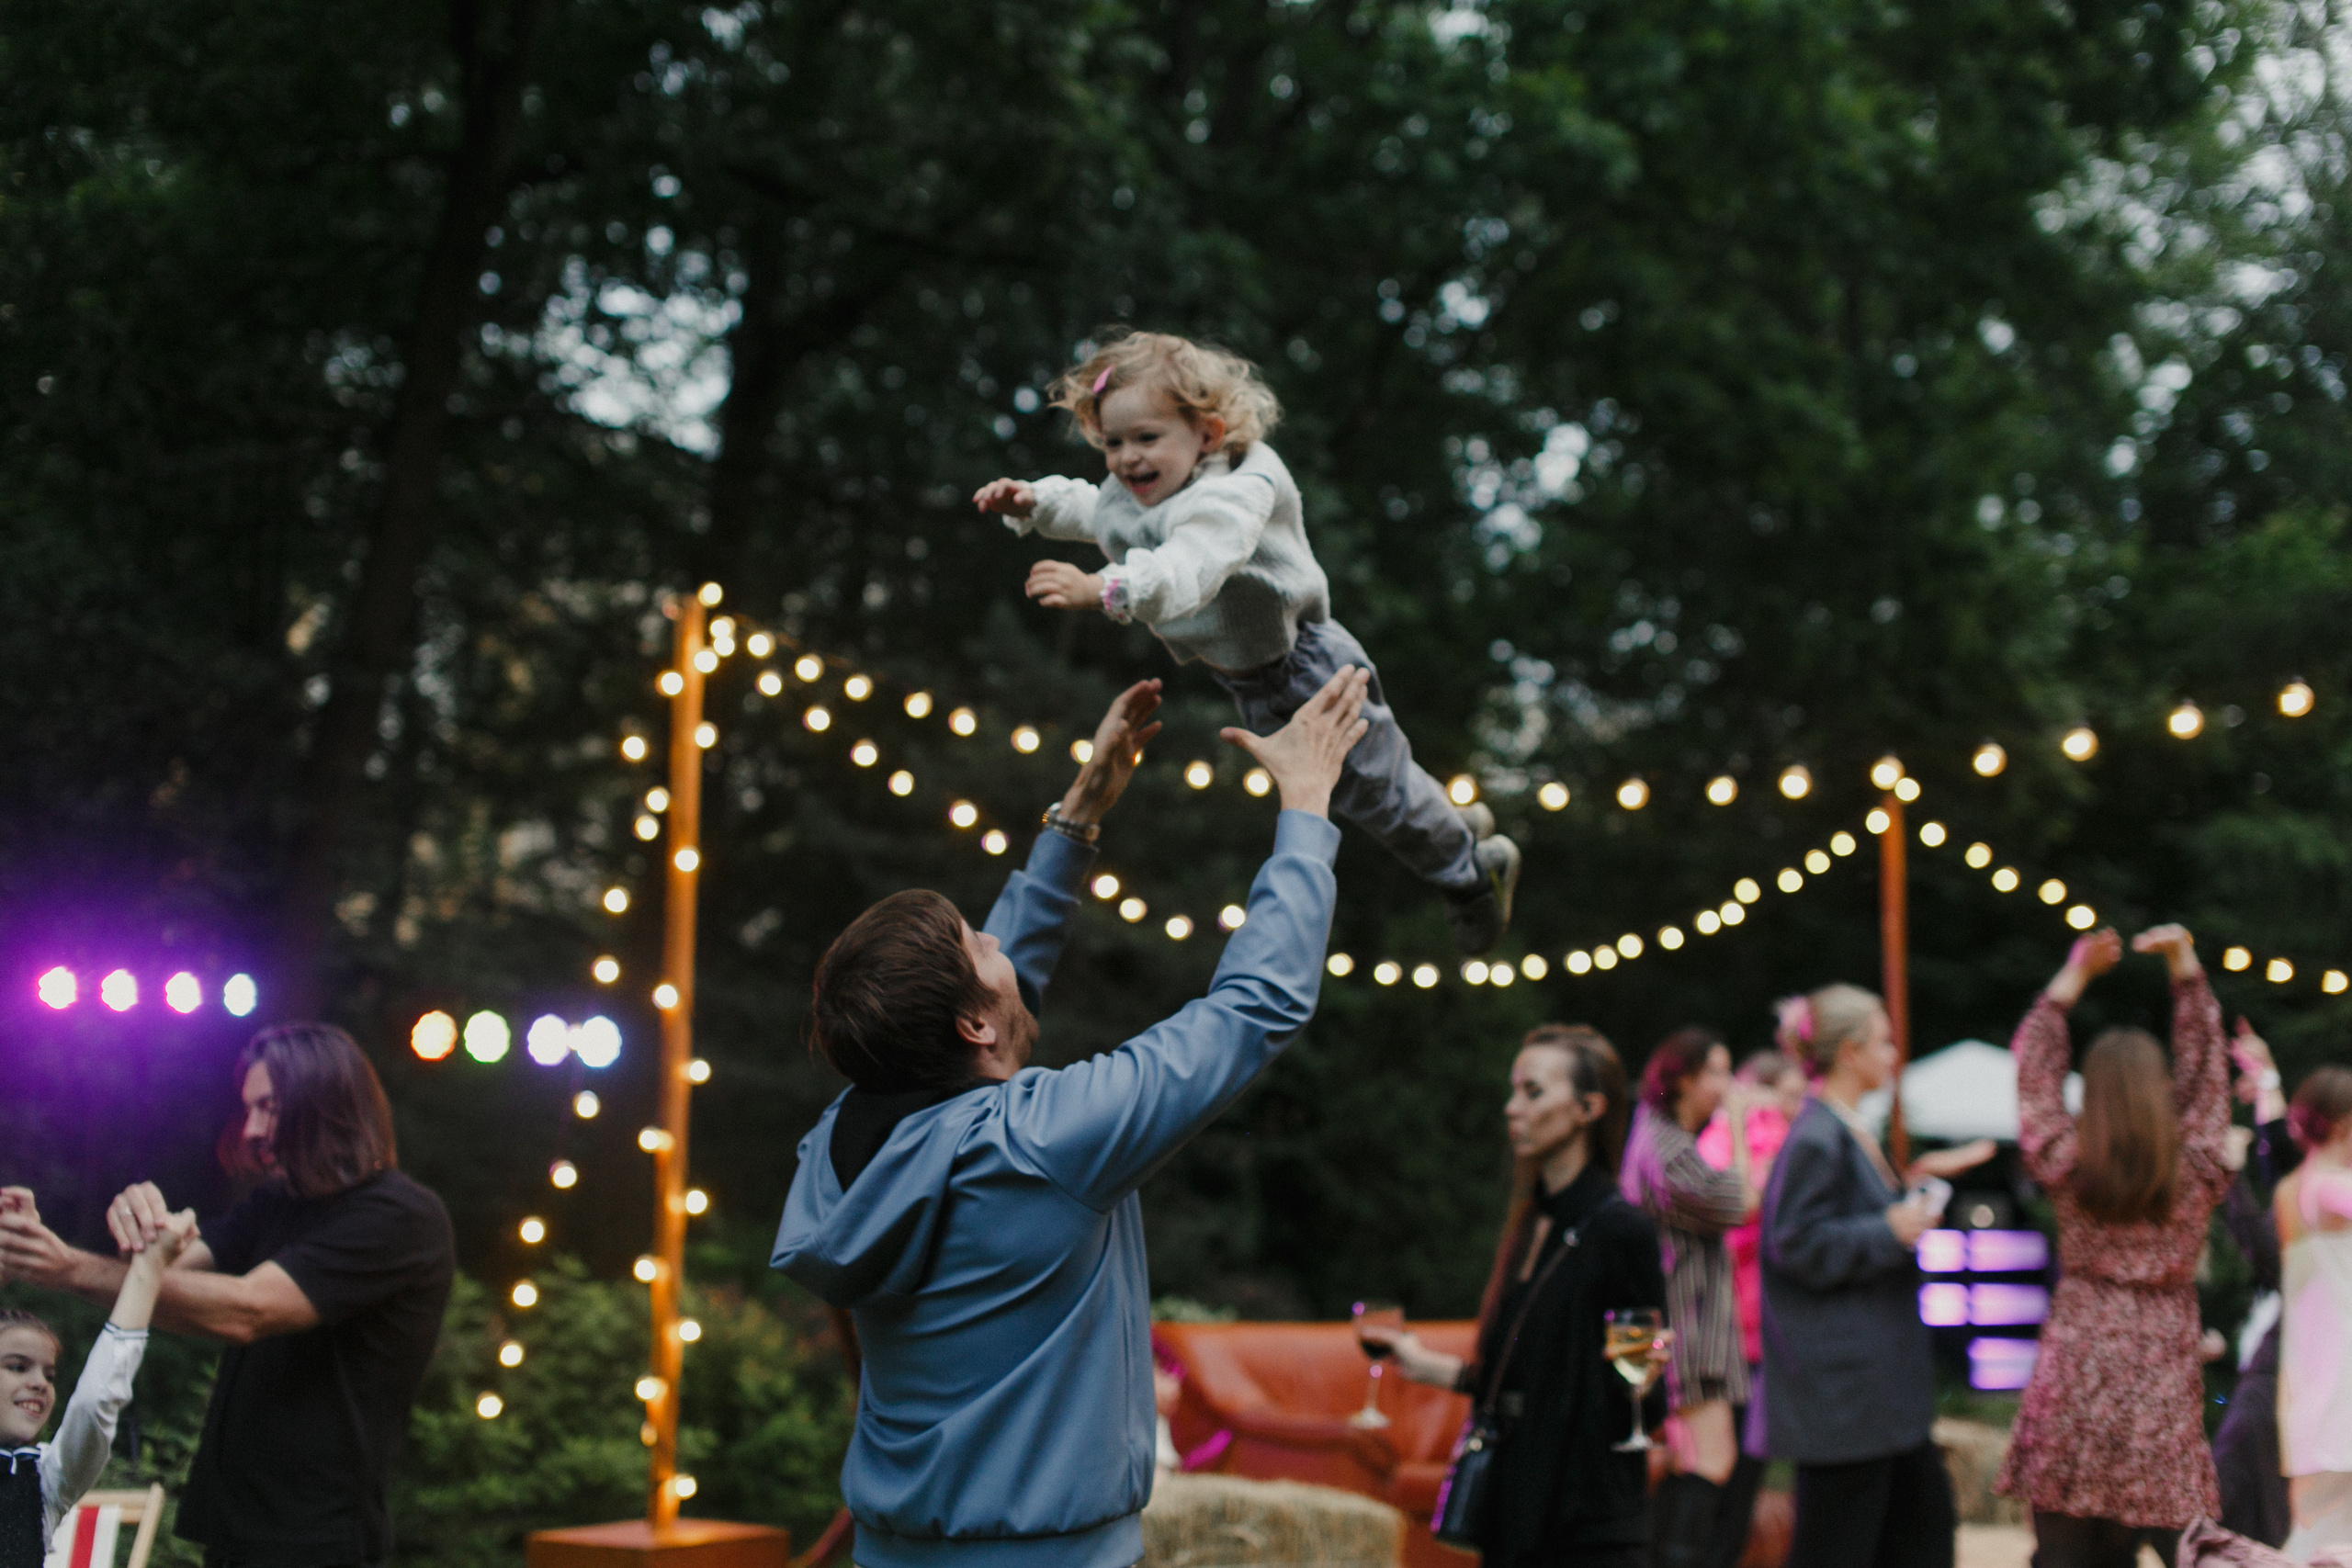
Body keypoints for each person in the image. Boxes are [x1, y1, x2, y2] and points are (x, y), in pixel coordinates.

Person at [771, 667, 1367, 1568]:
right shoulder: (1040, 1139)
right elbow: (1254, 1007)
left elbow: (988, 1023)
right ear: (971, 1022)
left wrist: (1076, 819)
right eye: (982, 945)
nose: (1001, 945)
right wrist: (1307, 807)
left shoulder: (841, 1143)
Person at [971, 329, 1520, 953]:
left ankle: (1473, 873)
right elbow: (1097, 510)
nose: (1127, 459)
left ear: (1206, 434)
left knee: (1372, 792)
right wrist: (1033, 501)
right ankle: (1454, 825)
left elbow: (1186, 568)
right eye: (1113, 442)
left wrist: (1099, 588)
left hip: (1306, 669)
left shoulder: (1232, 498)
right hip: (1256, 678)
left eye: (1146, 438)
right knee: (1369, 786)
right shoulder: (1145, 487)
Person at [0, 1023, 455, 1568]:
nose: (255, 1129)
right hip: (238, 1533)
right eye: (250, 1110)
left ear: (326, 1104)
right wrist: (93, 1233)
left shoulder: (398, 1216)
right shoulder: (275, 1205)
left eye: (270, 1107)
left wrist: (66, 1268)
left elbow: (248, 1309)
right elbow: (148, 1275)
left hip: (320, 1541)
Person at [1367, 1024, 1668, 1568]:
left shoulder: (1621, 1232)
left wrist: (1638, 1380)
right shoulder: (1534, 1224)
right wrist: (1434, 1368)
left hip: (1583, 1518)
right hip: (1515, 1505)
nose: (1512, 1108)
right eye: (1514, 1091)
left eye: (1533, 1092)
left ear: (1588, 1108)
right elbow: (1527, 1380)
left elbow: (1644, 1396)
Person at [1993, 925, 2232, 1568]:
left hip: (2080, 1357)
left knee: (2065, 1552)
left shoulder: (2068, 1162)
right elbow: (2210, 1080)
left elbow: (2035, 1073)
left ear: (2090, 1094)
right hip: (2159, 1367)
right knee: (2184, 1548)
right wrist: (2186, 972)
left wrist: (2071, 977)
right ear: (2161, 1093)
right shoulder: (2197, 1167)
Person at [1760, 983, 1990, 1568]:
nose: (1895, 1055)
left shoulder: (1844, 1127)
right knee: (1843, 1548)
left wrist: (1915, 1190)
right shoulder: (1816, 1135)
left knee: (1918, 1533)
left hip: (1876, 1396)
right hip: (1847, 1399)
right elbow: (1794, 1243)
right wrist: (1890, 1230)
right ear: (1849, 1054)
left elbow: (1853, 1221)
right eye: (1885, 1042)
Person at [1619, 1027, 1759, 1568]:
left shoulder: (1655, 1139)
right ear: (1685, 1080)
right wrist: (1741, 1124)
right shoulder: (1669, 1148)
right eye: (1718, 1073)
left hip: (1683, 1328)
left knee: (1691, 1463)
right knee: (1709, 1462)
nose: (1726, 1087)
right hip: (1690, 1331)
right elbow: (1741, 1202)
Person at [0, 1198, 195, 1568]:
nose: (40, 1383)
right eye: (18, 1366)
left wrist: (149, 1268)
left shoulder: (45, 1480)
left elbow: (95, 1401)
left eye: (49, 1374)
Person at [1690, 1049, 1805, 1568]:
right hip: (1733, 1332)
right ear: (1758, 1093)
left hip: (1765, 1330)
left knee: (1748, 1468)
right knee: (1730, 1468)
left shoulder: (1788, 1142)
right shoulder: (1728, 1143)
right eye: (1790, 1095)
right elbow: (1741, 1208)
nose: (1801, 1105)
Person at [2212, 1021, 2298, 1549]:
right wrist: (2266, 1080)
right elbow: (2286, 1167)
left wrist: (2231, 1178)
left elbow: (2271, 1248)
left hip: (2299, 1366)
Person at [2276, 1065, 2352, 1560]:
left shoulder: (2294, 1186)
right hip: (2339, 1379)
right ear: (2344, 1125)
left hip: (2316, 1375)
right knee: (2324, 1537)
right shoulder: (2331, 1186)